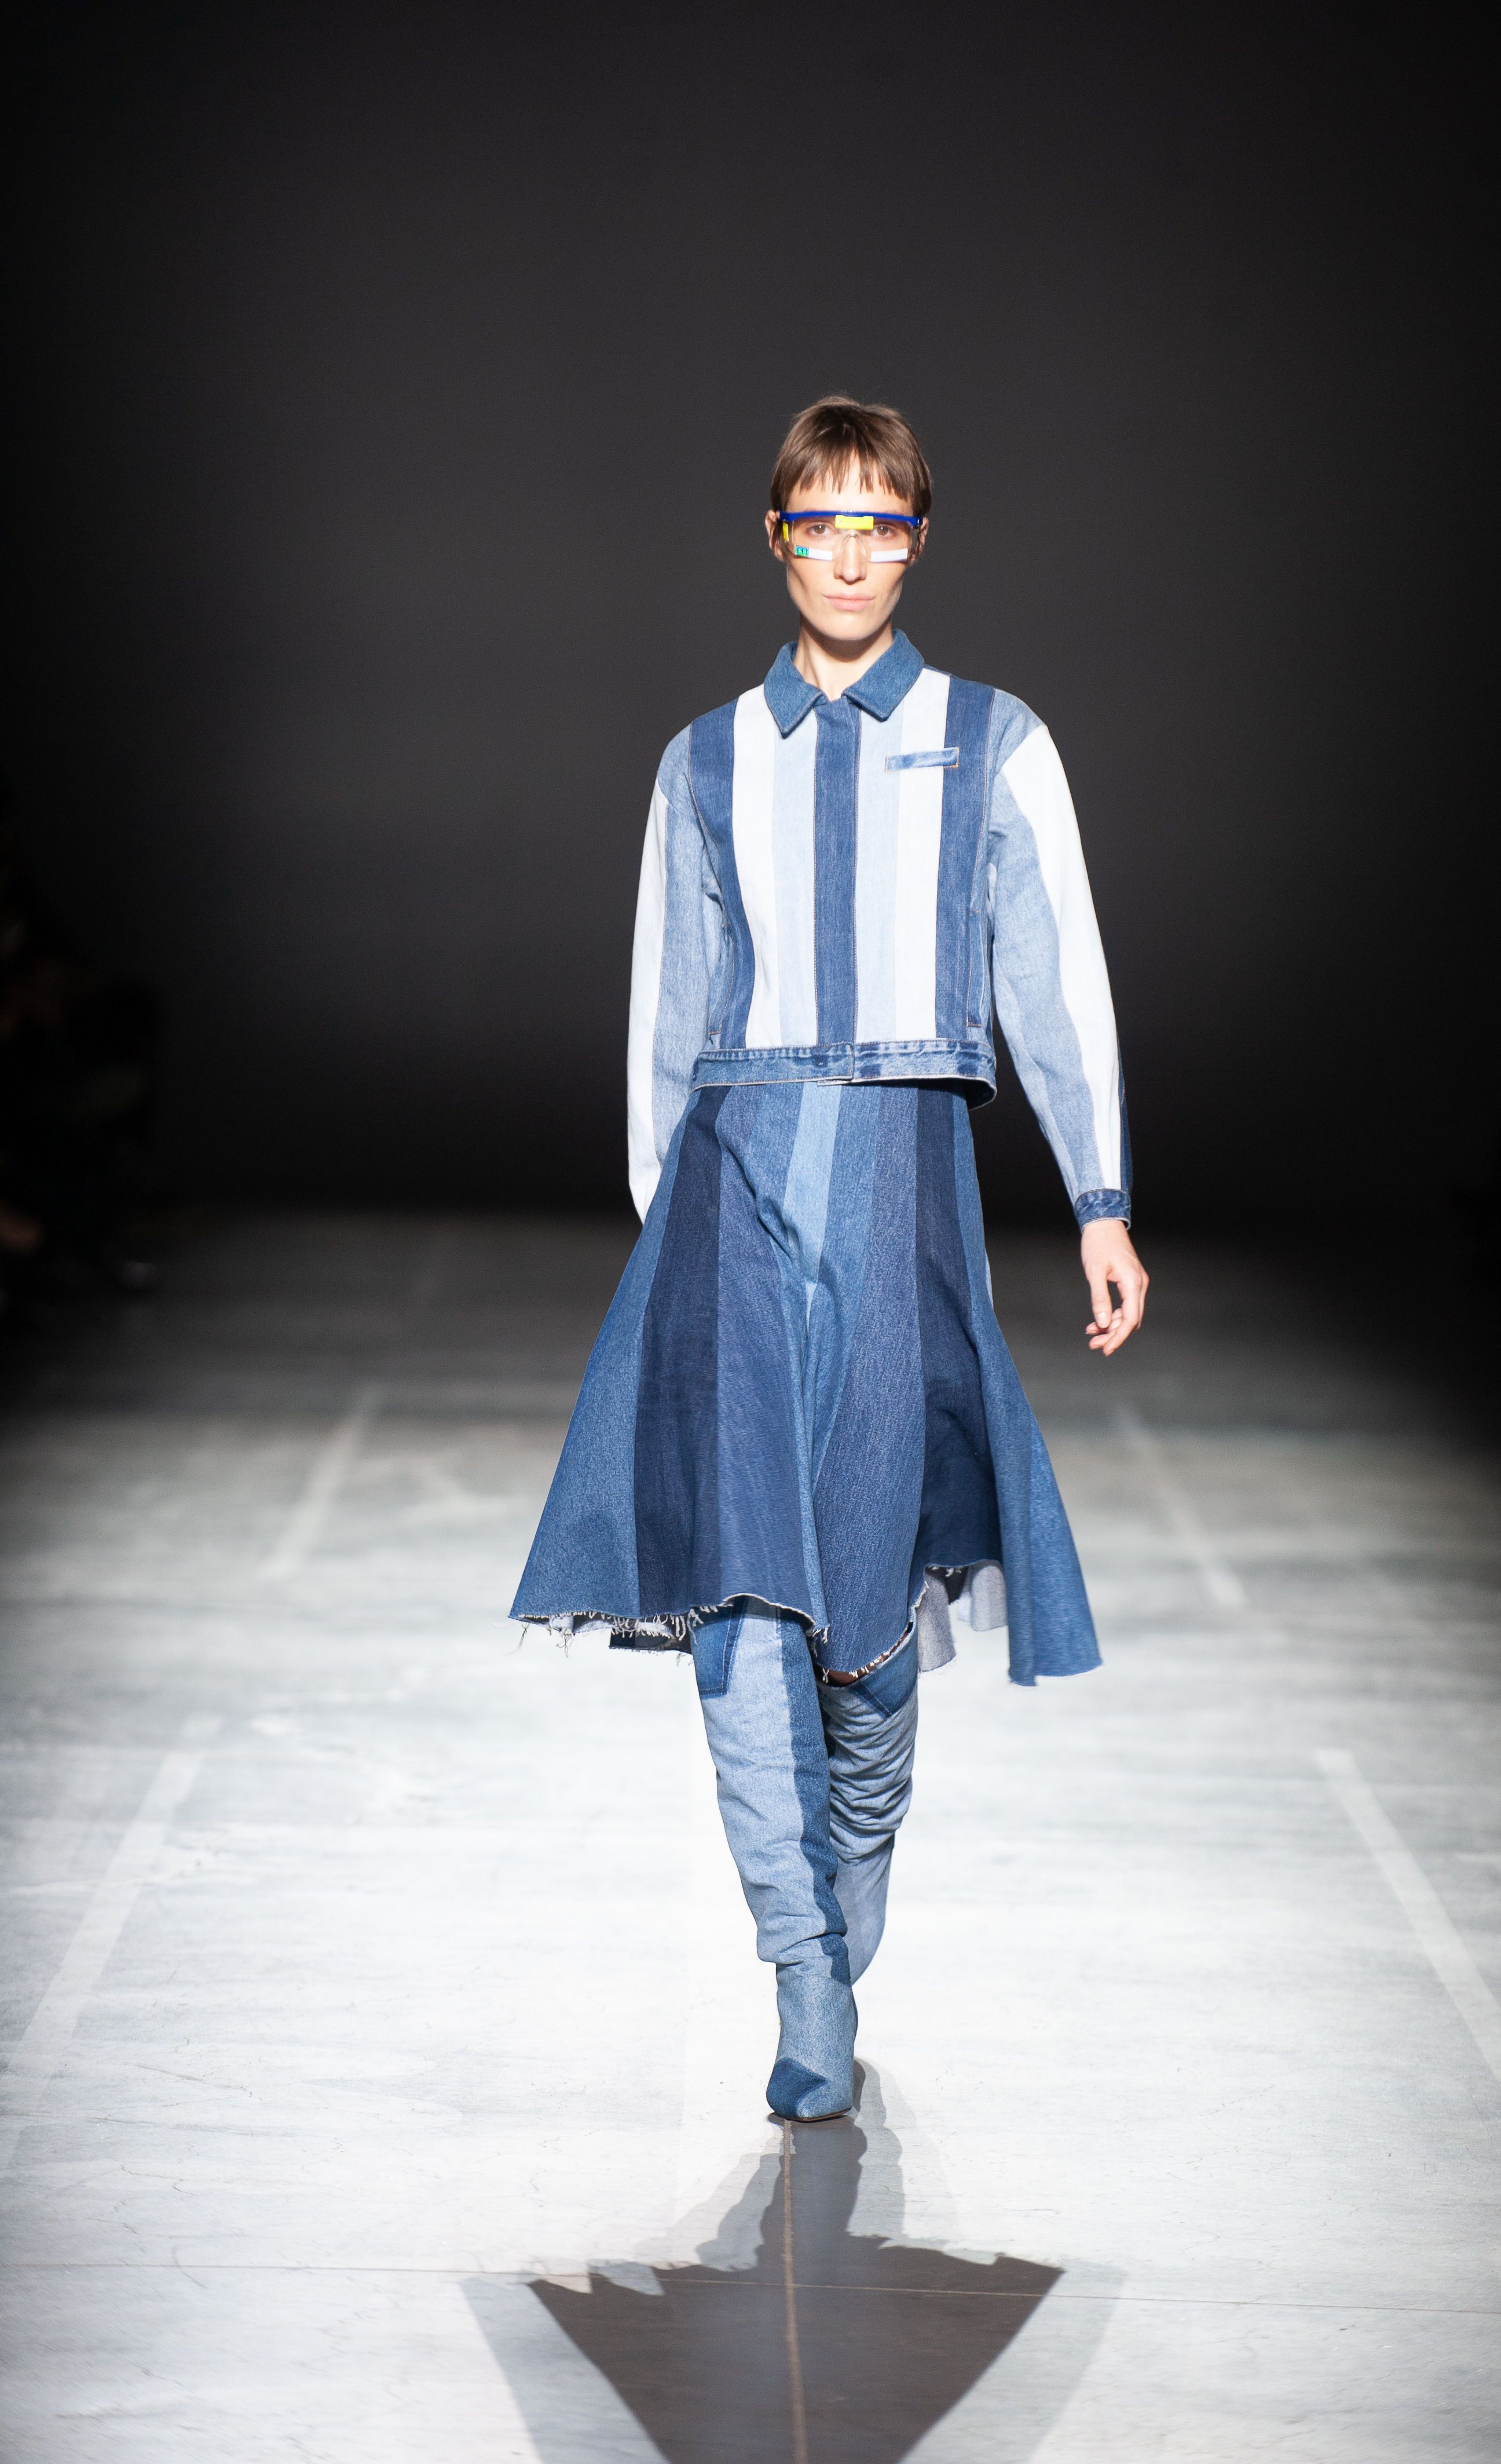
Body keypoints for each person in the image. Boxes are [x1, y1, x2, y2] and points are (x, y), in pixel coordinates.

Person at [513, 396, 1147, 2122]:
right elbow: (667, 1012)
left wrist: (1099, 1199)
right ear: (778, 541)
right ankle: (801, 1965)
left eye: (881, 523)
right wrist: (668, 1242)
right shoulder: (706, 760)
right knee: (740, 1596)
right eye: (821, 523)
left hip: (903, 1200)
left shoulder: (993, 741)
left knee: (866, 1617)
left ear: (917, 543)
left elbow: (1055, 975)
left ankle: (844, 1902)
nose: (851, 555)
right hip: (731, 1200)